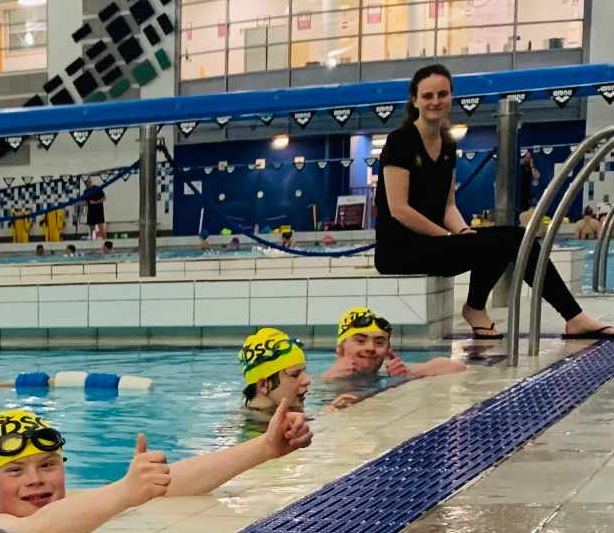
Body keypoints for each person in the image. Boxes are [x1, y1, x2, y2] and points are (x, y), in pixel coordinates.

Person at [375, 63, 614, 341]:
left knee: (512, 238)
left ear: (451, 96)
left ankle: (479, 308)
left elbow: (448, 206)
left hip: (436, 243)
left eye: (442, 94)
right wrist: (449, 238)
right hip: (400, 250)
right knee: (510, 239)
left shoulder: (447, 145)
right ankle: (570, 317)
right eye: (427, 96)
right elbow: (399, 209)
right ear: (414, 100)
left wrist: (463, 233)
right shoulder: (400, 141)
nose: (435, 101)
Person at [0, 403, 312, 533]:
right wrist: (124, 493)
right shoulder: (1, 523)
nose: (35, 479)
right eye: (15, 470)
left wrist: (265, 448)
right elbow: (43, 529)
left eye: (47, 465)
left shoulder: (66, 504)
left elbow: (169, 481)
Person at [320, 307, 465, 382]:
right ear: (340, 348)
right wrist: (329, 379)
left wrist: (408, 374)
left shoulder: (386, 373)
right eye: (360, 341)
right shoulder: (320, 381)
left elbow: (457, 367)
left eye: (379, 342)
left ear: (388, 350)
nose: (370, 348)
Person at [239, 326, 361, 415]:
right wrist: (323, 418)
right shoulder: (254, 429)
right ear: (264, 385)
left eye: (303, 372)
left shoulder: (269, 416)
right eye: (295, 375)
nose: (307, 380)